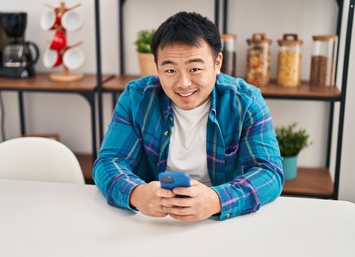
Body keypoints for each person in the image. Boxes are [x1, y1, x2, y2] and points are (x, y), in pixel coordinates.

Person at [93, 11, 284, 221]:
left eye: (195, 68)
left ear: (217, 63)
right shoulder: (136, 98)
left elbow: (269, 173)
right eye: (170, 71)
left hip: (220, 217)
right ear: (157, 67)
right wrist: (135, 194)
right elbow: (108, 161)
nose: (183, 83)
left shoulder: (246, 101)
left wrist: (217, 200)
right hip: (153, 219)